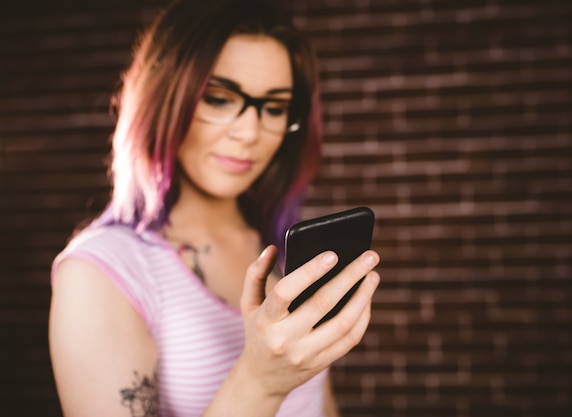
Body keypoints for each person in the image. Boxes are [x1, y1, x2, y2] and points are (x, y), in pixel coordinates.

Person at [48, 0, 381, 416]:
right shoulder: (101, 272)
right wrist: (260, 382)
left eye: (274, 107)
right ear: (162, 98)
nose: (249, 132)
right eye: (220, 99)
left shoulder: (280, 247)